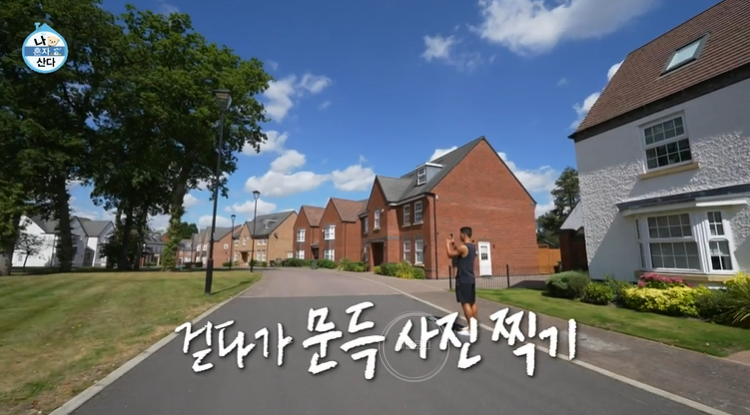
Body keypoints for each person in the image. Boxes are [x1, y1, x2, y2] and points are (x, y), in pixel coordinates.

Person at [445, 227, 477, 337]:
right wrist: (454, 246)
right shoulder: (472, 247)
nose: (459, 236)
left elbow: (450, 254)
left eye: (460, 234)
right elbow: (459, 254)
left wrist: (447, 244)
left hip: (463, 279)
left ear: (464, 234)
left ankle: (471, 330)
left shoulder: (463, 247)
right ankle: (473, 326)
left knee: (465, 303)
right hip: (471, 278)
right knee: (472, 302)